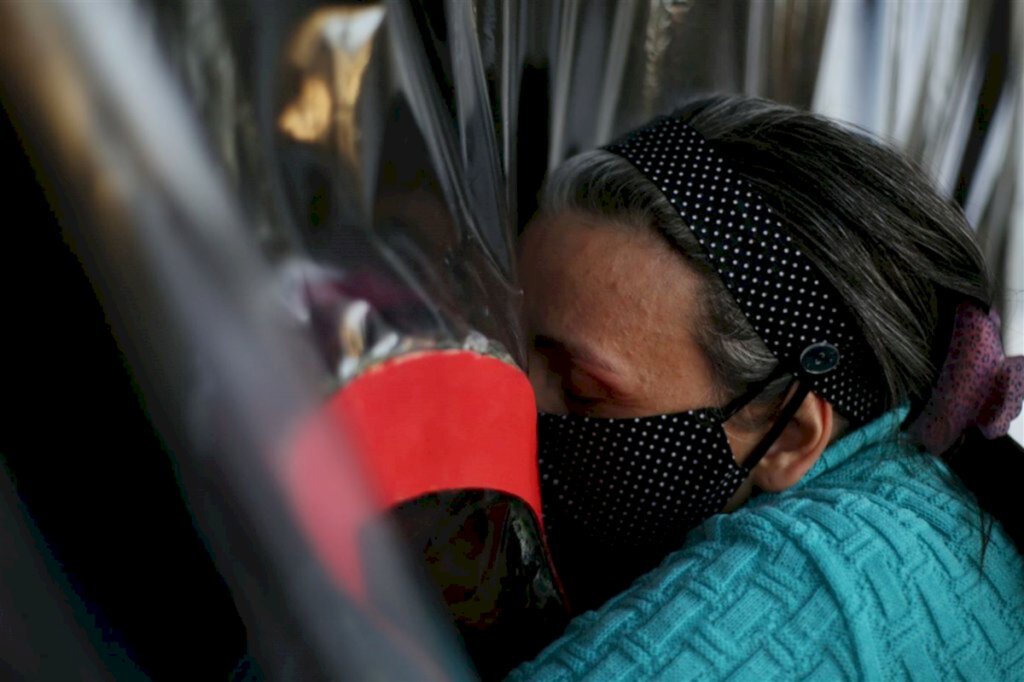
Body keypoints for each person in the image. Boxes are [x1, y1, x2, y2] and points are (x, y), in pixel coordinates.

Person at [511, 94, 1024, 679]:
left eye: (581, 390)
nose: (512, 400)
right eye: (501, 345)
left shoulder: (810, 577)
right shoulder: (927, 508)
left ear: (789, 436)